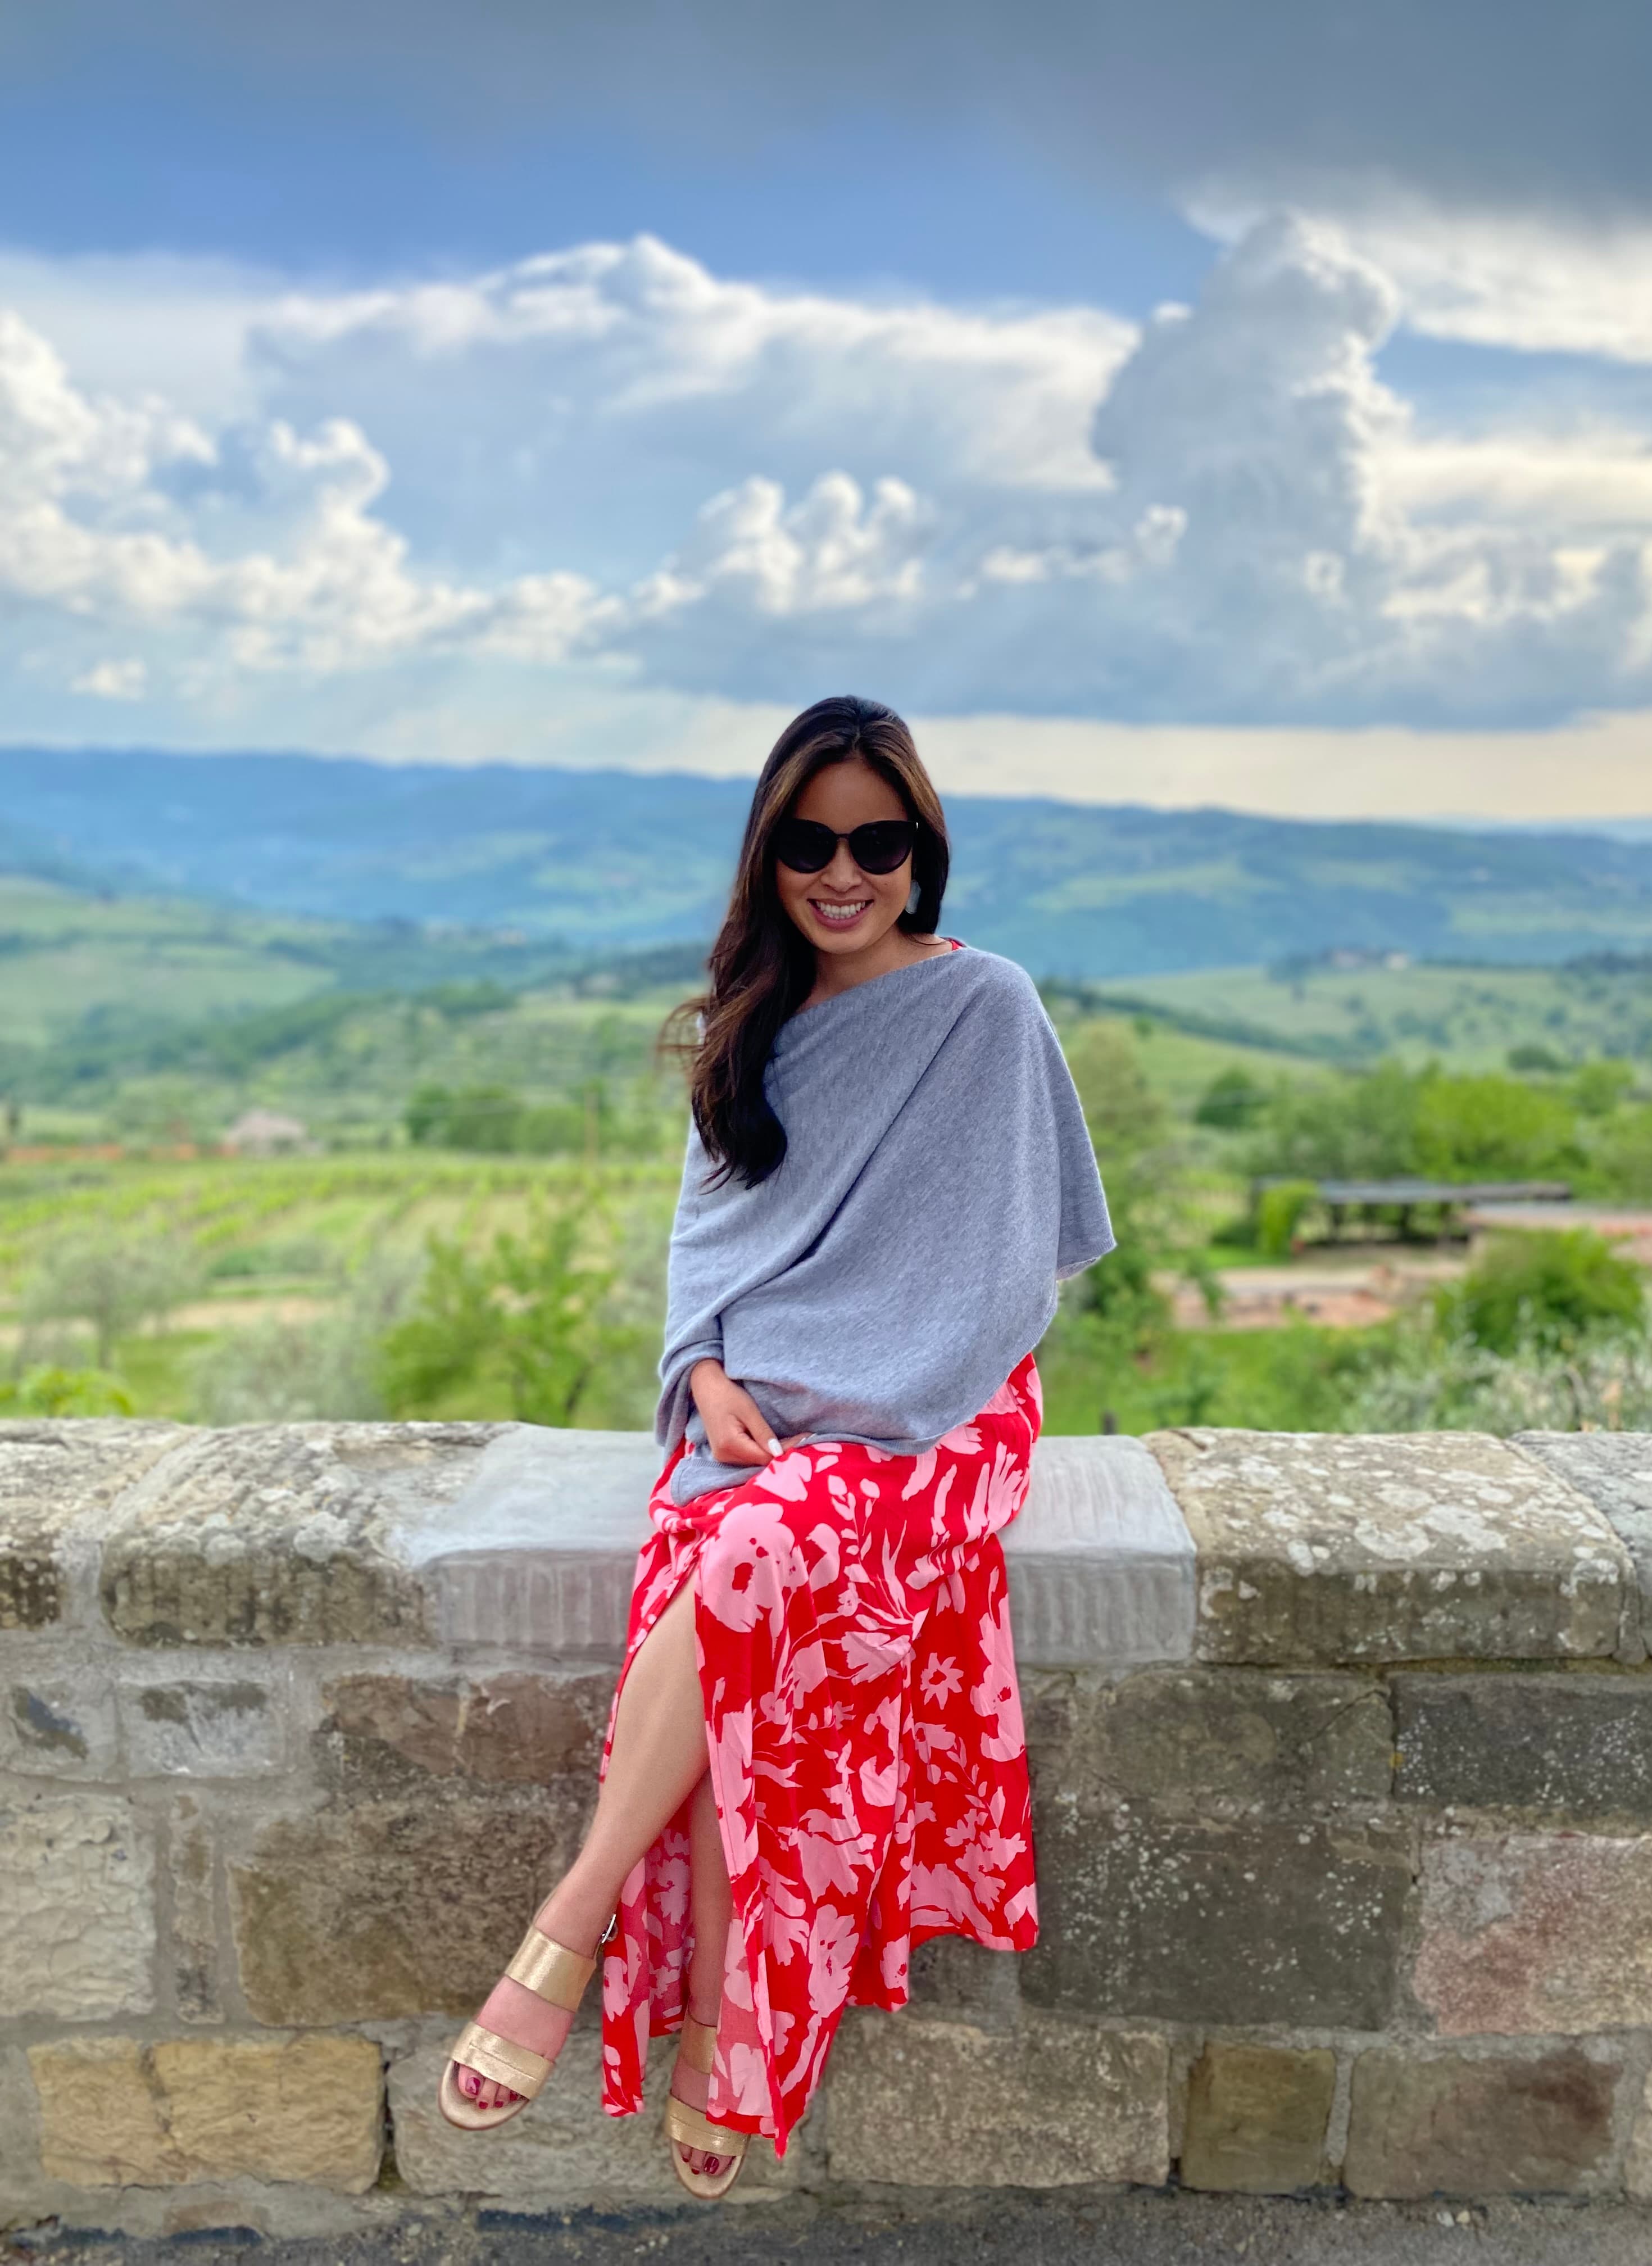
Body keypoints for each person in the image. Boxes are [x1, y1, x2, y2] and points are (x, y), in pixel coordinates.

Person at [439, 695, 1113, 2197]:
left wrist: (843, 1401)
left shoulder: (986, 1008)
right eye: (811, 844)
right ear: (770, 854)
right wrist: (701, 1369)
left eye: (877, 842)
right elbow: (708, 1249)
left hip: (939, 1410)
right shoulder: (752, 1023)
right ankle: (722, 2030)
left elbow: (1007, 1279)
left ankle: (574, 1916)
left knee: (751, 1552)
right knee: (742, 1570)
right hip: (770, 1400)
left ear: (923, 851)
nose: (844, 873)